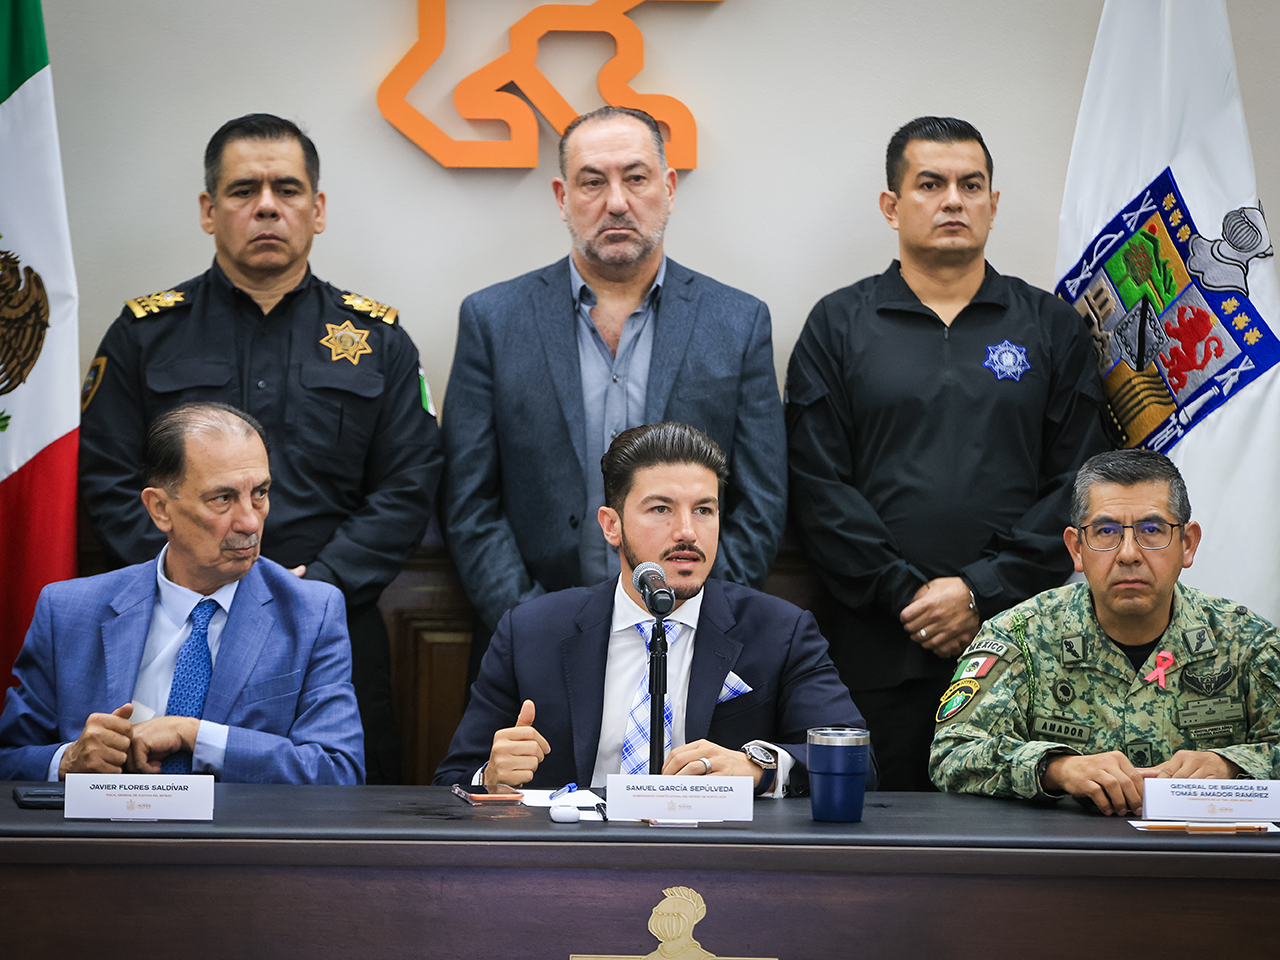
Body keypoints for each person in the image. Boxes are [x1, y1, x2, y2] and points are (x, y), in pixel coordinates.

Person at [77, 114, 442, 783]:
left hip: (329, 622)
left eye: (287, 189)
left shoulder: (378, 340)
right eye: (244, 190)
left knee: (340, 811)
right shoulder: (144, 334)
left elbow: (409, 483)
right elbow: (107, 477)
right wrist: (188, 574)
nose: (267, 206)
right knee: (149, 801)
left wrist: (319, 587)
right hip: (172, 619)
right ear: (208, 210)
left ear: (317, 209)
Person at [785, 116, 1109, 790]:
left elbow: (1079, 483)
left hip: (1021, 643)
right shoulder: (838, 325)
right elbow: (817, 484)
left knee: (1018, 834)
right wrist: (908, 594)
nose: (953, 200)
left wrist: (979, 592)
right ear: (891, 205)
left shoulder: (1050, 326)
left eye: (971, 185)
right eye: (930, 184)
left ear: (993, 202)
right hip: (878, 650)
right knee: (877, 834)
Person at [443, 106, 786, 675]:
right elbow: (469, 502)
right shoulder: (493, 319)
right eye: (593, 182)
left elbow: (762, 500)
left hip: (694, 646)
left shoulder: (739, 321)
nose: (618, 202)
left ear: (668, 188)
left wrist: (694, 616)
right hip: (531, 647)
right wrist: (533, 625)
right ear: (562, 197)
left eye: (636, 177)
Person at [434, 422, 870, 795]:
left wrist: (761, 768)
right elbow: (452, 781)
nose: (687, 531)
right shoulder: (530, 632)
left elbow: (858, 763)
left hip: (715, 858)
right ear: (612, 525)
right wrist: (489, 777)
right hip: (571, 857)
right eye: (661, 509)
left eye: (704, 510)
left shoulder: (780, 631)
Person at [0, 403, 364, 784]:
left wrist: (195, 735)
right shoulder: (68, 612)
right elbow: (8, 760)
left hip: (240, 826)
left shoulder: (311, 614)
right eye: (222, 499)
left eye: (260, 493)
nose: (250, 521)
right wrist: (67, 761)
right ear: (160, 509)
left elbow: (339, 772)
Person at [930, 449, 1280, 815]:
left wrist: (1232, 766)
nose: (1128, 554)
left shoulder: (1247, 641)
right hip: (1067, 849)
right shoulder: (1020, 637)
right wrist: (1056, 769)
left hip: (1201, 848)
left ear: (1187, 544)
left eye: (1152, 530)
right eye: (1106, 531)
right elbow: (952, 754)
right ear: (1076, 549)